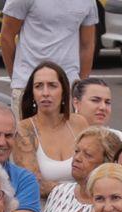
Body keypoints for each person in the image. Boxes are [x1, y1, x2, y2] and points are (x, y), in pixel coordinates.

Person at [0, 0, 96, 112]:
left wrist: (80, 87)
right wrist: (18, 78)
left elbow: (87, 45)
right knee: (27, 129)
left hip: (68, 87)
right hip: (27, 86)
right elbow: (6, 36)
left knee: (69, 130)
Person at [13, 61, 87, 199]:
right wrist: (77, 193)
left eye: (52, 86)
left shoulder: (79, 123)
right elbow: (34, 183)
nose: (45, 93)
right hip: (46, 210)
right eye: (38, 86)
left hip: (84, 207)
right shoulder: (24, 130)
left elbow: (94, 170)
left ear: (63, 91)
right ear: (33, 93)